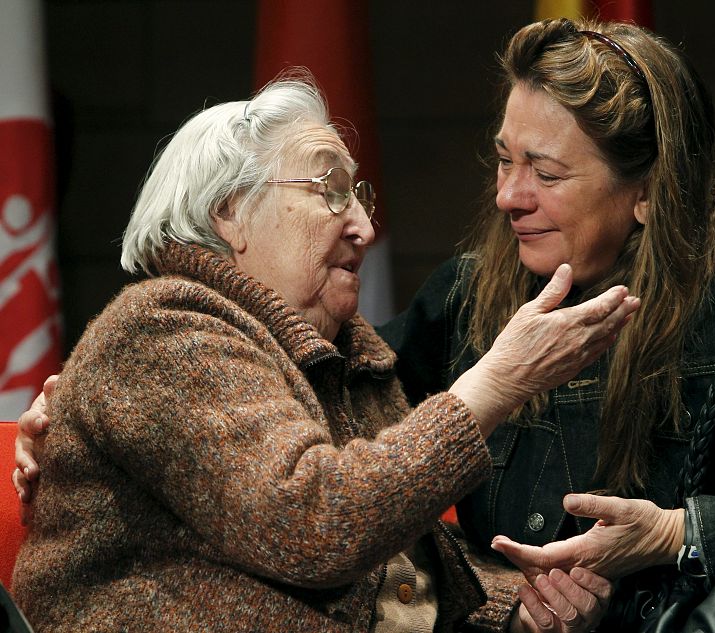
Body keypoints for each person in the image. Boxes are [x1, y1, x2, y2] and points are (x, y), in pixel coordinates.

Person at [8, 73, 638, 632]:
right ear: (230, 211)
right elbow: (315, 523)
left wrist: (517, 608)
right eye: (330, 190)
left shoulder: (343, 354)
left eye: (360, 195)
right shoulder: (162, 331)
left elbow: (392, 568)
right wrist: (496, 383)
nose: (363, 226)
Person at [375, 16, 715, 631]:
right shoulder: (467, 296)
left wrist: (674, 534)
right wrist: (500, 596)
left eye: (546, 174)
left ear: (649, 190)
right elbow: (358, 483)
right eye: (504, 161)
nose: (508, 197)